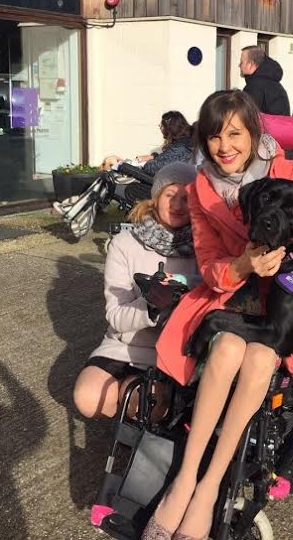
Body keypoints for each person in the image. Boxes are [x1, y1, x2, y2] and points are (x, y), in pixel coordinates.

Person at [143, 90, 293, 540]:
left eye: (235, 134)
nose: (225, 146)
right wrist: (243, 265)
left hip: (289, 310)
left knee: (258, 358)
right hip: (233, 298)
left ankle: (209, 488)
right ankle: (185, 480)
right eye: (214, 136)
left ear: (254, 134)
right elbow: (210, 263)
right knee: (226, 349)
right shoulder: (201, 189)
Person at [73, 162, 199, 420]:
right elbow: (116, 315)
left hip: (168, 354)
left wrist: (182, 288)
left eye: (186, 197)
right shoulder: (124, 244)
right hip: (121, 345)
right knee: (89, 398)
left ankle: (138, 413)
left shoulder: (205, 246)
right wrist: (150, 305)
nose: (177, 204)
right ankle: (127, 411)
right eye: (170, 195)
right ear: (156, 196)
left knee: (141, 400)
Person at [239, 46, 291, 116]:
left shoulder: (254, 87)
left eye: (241, 62)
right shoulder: (275, 85)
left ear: (250, 64)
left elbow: (246, 117)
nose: (239, 65)